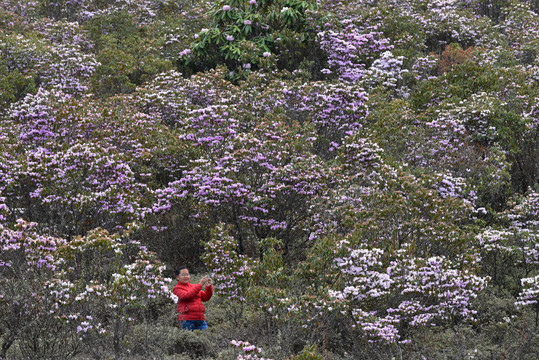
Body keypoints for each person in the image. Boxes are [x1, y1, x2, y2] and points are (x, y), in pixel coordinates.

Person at [173, 265, 213, 330]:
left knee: (204, 338)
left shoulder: (194, 287)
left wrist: (208, 287)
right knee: (189, 339)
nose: (186, 277)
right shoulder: (177, 289)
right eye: (183, 275)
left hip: (200, 320)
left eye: (187, 274)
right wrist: (200, 285)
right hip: (186, 321)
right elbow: (187, 296)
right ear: (177, 277)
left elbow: (206, 297)